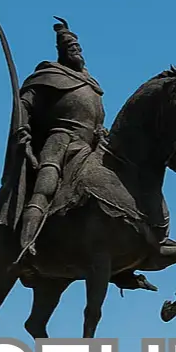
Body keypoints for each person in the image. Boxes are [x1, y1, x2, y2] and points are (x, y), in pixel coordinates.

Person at [9, 18, 108, 262]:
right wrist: (23, 129)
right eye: (71, 48)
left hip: (91, 145)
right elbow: (24, 104)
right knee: (46, 185)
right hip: (60, 140)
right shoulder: (49, 75)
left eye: (78, 48)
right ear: (62, 52)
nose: (77, 52)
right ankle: (27, 238)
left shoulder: (91, 83)